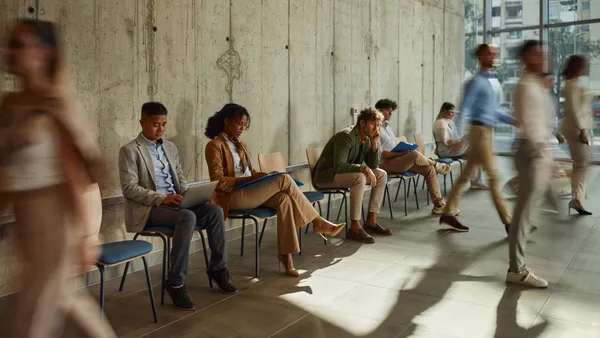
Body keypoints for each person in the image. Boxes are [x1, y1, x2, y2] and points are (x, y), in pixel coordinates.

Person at [0, 19, 116, 337]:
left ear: (44, 51)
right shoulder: (10, 103)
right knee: (67, 298)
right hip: (23, 220)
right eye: (10, 43)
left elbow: (77, 173)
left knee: (30, 316)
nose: (10, 51)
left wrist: (87, 236)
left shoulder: (55, 100)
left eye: (20, 44)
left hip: (53, 219)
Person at [119, 102, 238, 311]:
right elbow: (130, 188)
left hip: (177, 203)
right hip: (151, 209)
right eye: (156, 124)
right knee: (188, 217)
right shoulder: (130, 151)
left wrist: (190, 194)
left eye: (164, 124)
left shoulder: (170, 147)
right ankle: (175, 283)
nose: (161, 129)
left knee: (215, 211)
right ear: (142, 122)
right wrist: (161, 198)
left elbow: (180, 179)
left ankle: (218, 269)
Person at [204, 103, 344, 277]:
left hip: (249, 191)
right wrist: (250, 179)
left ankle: (286, 256)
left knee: (284, 199)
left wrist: (262, 176)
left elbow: (250, 172)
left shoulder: (241, 144)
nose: (241, 128)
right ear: (226, 121)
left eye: (244, 125)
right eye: (238, 123)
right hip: (232, 197)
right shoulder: (214, 145)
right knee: (284, 178)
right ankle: (317, 222)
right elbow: (218, 181)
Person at [439, 44, 515, 233]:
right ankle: (509, 222)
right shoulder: (475, 81)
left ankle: (448, 212)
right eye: (490, 52)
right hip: (479, 132)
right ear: (481, 56)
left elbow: (493, 111)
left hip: (486, 132)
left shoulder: (492, 80)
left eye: (494, 52)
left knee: (466, 175)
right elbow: (462, 108)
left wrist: (513, 121)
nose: (494, 55)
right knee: (493, 176)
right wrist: (457, 137)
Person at [506, 40, 553, 288]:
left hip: (536, 150)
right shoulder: (524, 85)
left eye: (544, 53)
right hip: (530, 150)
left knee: (527, 211)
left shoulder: (536, 84)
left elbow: (544, 119)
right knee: (522, 216)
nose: (543, 57)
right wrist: (539, 154)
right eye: (537, 54)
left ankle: (516, 185)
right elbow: (529, 122)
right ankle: (517, 269)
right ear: (525, 57)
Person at [312, 108, 389, 244]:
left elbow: (373, 164)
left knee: (381, 175)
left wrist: (373, 144)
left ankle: (371, 221)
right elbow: (339, 166)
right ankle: (355, 227)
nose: (375, 128)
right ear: (362, 123)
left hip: (343, 174)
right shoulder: (346, 137)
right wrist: (364, 168)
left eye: (377, 125)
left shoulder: (366, 138)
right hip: (327, 176)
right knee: (360, 177)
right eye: (372, 124)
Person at [375, 98, 451, 214]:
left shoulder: (388, 127)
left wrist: (403, 149)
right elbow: (382, 153)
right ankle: (436, 164)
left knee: (428, 169)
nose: (390, 113)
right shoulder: (375, 128)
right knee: (415, 154)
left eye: (391, 111)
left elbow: (393, 146)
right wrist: (401, 153)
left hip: (398, 160)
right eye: (387, 111)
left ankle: (438, 205)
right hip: (384, 164)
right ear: (379, 110)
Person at [561, 54, 593, 215]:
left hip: (579, 128)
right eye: (582, 65)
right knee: (581, 165)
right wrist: (582, 130)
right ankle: (576, 198)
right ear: (576, 67)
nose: (584, 68)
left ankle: (577, 199)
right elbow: (574, 109)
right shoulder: (570, 85)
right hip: (575, 129)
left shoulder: (574, 84)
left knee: (581, 165)